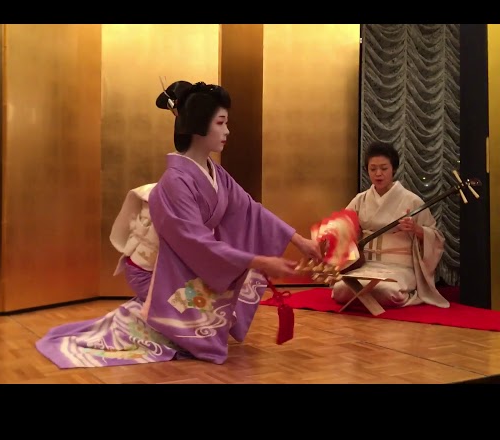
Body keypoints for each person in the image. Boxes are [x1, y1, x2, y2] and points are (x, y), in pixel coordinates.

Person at [35, 80, 322, 368]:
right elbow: (195, 240)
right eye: (221, 123)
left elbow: (250, 210)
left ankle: (158, 318)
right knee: (185, 332)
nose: (227, 131)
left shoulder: (214, 172)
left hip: (184, 262)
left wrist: (300, 242)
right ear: (199, 125)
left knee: (204, 318)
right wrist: (257, 260)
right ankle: (145, 316)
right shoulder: (175, 181)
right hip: (154, 270)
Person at [330, 141, 449, 309]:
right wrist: (348, 232)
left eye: (384, 168)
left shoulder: (411, 200)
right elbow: (342, 227)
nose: (378, 173)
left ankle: (403, 290)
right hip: (367, 265)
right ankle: (368, 296)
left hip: (399, 266)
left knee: (388, 291)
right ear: (367, 170)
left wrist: (416, 229)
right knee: (340, 289)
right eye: (373, 169)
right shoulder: (360, 200)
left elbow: (436, 238)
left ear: (393, 168)